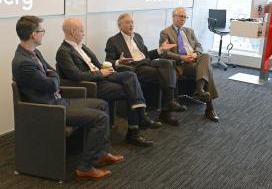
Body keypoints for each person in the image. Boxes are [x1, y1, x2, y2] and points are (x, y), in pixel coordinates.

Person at [12, 15, 124, 180]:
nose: (44, 33)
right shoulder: (23, 62)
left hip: (58, 100)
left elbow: (52, 74)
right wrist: (53, 78)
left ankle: (100, 154)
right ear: (34, 35)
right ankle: (85, 167)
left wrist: (52, 77)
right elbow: (51, 84)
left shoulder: (34, 53)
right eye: (42, 31)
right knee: (100, 118)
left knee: (101, 104)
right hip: (49, 108)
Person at [56, 18, 159, 147]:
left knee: (130, 75)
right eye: (82, 31)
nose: (84, 33)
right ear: (73, 31)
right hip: (92, 85)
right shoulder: (63, 52)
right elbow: (75, 75)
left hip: (101, 76)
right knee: (131, 90)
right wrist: (100, 73)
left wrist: (110, 67)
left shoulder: (82, 47)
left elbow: (98, 64)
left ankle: (141, 116)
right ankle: (135, 130)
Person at [105, 13, 186, 126]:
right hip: (135, 67)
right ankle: (167, 110)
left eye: (132, 22)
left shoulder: (137, 36)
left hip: (147, 62)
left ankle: (169, 103)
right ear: (119, 25)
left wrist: (160, 50)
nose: (131, 25)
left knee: (168, 64)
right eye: (127, 22)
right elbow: (108, 62)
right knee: (169, 74)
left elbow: (146, 54)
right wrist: (119, 61)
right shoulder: (113, 41)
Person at [159, 7, 219, 122]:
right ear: (173, 17)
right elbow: (165, 53)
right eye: (180, 16)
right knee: (207, 70)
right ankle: (209, 107)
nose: (183, 19)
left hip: (195, 60)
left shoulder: (189, 31)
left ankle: (200, 89)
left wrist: (196, 54)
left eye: (185, 17)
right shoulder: (165, 33)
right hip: (182, 64)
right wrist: (182, 57)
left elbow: (198, 45)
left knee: (206, 56)